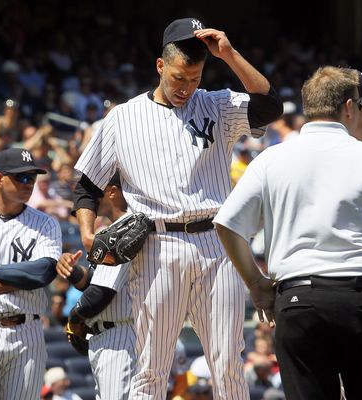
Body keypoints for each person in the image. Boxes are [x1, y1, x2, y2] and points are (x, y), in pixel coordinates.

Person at [72, 17, 282, 399]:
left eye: (195, 78)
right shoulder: (122, 117)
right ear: (160, 66)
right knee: (151, 366)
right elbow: (87, 186)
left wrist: (230, 55)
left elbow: (270, 107)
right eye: (179, 78)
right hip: (157, 246)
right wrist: (88, 231)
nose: (187, 88)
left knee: (228, 363)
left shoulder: (215, 104)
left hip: (217, 245)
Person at [214, 66, 362, 400]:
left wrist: (256, 283)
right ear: (348, 107)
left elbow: (227, 224)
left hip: (297, 302)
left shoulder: (271, 159)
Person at [0, 147, 62, 399]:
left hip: (27, 332)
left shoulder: (45, 223)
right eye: (21, 177)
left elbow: (42, 273)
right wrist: (21, 278)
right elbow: (30, 276)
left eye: (32, 177)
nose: (29, 183)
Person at [56, 172, 135, 400]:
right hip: (108, 336)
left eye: (94, 193)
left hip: (121, 338)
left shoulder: (128, 229)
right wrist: (72, 272)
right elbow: (95, 282)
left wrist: (75, 316)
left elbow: (100, 293)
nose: (88, 201)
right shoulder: (112, 231)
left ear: (112, 192)